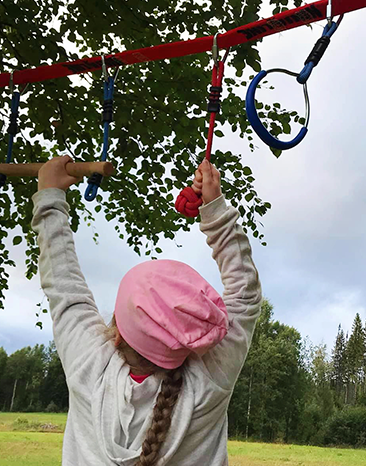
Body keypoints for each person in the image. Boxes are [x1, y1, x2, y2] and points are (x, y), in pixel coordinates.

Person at [31, 156, 262, 465]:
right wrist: (215, 209)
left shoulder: (89, 365)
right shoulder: (208, 379)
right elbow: (245, 294)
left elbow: (63, 283)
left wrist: (49, 194)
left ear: (115, 337)